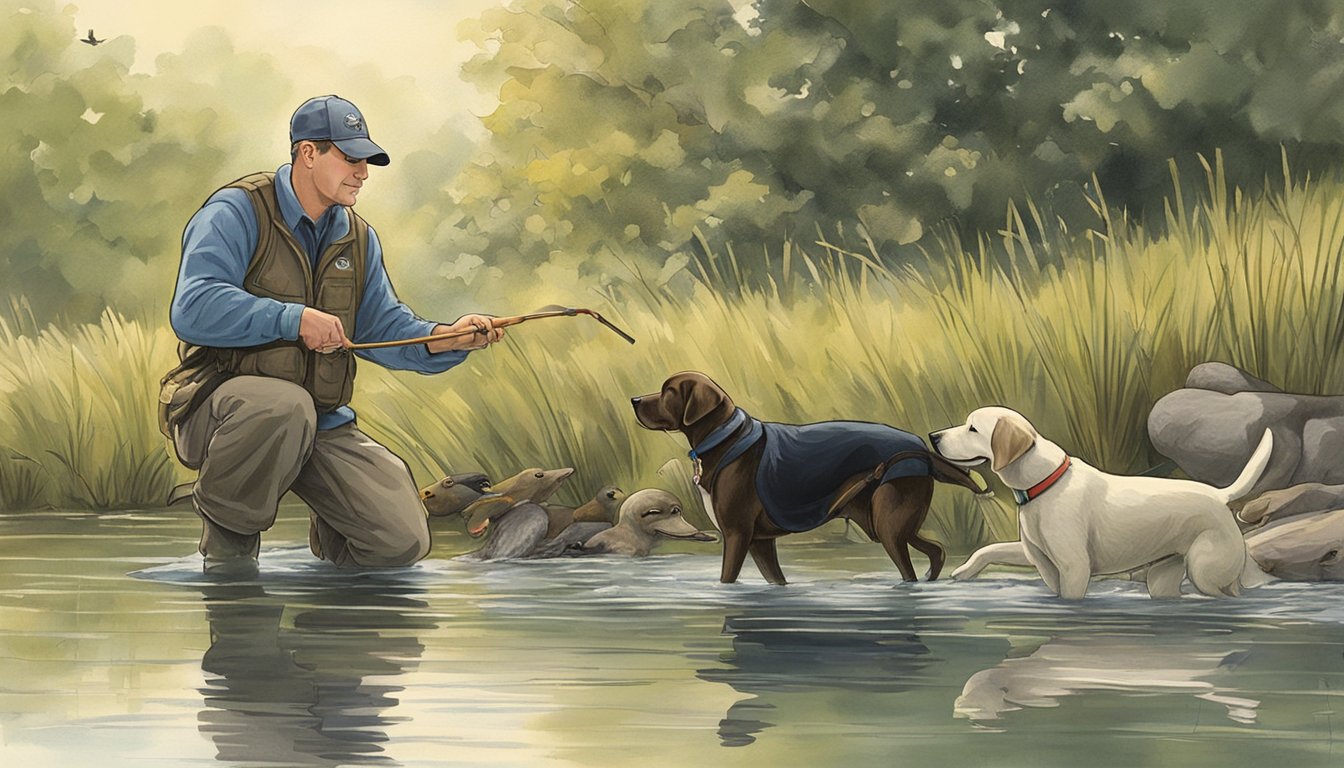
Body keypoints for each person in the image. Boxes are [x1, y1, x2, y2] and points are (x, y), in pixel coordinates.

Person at [158, 94, 503, 572]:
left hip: (321, 420)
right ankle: (229, 551)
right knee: (283, 406)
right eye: (350, 158)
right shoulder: (236, 211)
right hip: (223, 412)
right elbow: (192, 308)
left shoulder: (359, 237)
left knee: (401, 541)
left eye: (366, 161)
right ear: (307, 153)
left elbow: (385, 325)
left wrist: (446, 338)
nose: (363, 172)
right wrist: (293, 318)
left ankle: (331, 579)